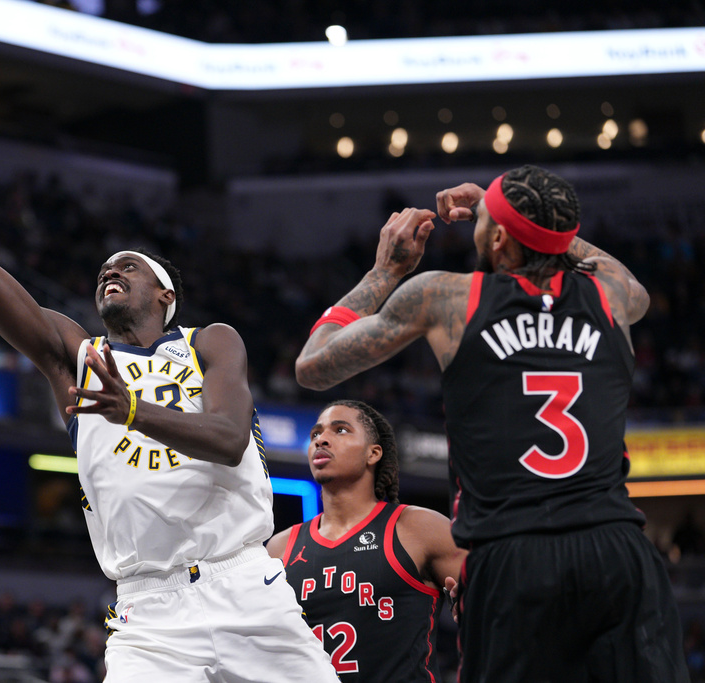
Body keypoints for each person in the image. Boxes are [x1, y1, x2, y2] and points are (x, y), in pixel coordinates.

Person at [0, 50, 338, 683]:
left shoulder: (210, 343)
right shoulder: (77, 357)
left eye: (129, 267)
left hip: (245, 584)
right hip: (148, 611)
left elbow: (228, 442)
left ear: (166, 296)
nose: (111, 272)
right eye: (104, 271)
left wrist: (134, 411)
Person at [295, 164, 689, 682]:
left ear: (498, 238)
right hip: (615, 549)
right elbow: (614, 271)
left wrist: (385, 273)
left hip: (513, 553)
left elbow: (312, 365)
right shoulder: (611, 296)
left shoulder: (447, 296)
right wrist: (518, 214)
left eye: (488, 217)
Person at [267, 400, 465, 682]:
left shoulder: (420, 528)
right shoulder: (279, 548)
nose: (321, 439)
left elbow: (496, 605)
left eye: (341, 430)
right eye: (315, 434)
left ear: (373, 454)